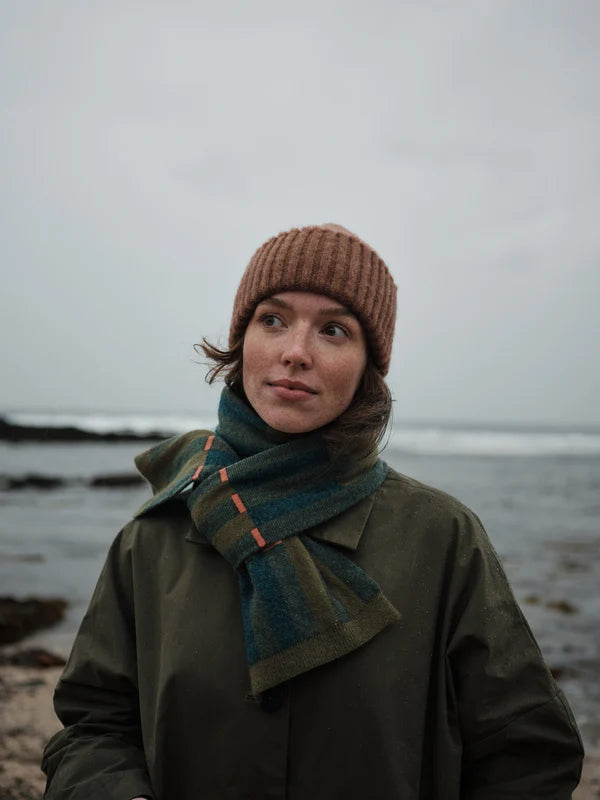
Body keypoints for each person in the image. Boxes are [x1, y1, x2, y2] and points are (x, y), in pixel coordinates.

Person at [42, 224, 584, 799]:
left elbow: (527, 753)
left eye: (333, 329)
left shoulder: (442, 537)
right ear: (241, 340)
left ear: (368, 364)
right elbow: (92, 725)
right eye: (272, 319)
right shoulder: (152, 540)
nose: (295, 352)